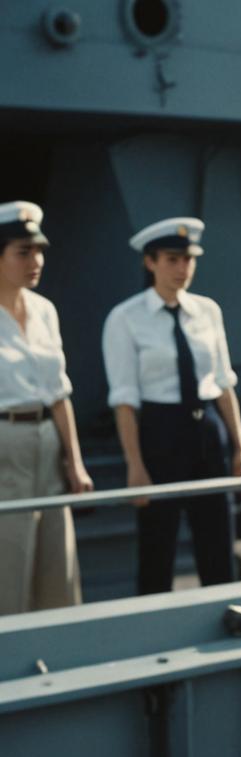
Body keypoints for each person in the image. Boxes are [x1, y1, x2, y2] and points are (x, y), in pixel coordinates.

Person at [102, 218, 241, 595]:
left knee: (217, 538)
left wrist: (240, 447)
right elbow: (124, 399)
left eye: (189, 259)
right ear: (150, 262)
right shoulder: (125, 319)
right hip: (159, 433)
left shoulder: (207, 311)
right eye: (172, 259)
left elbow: (222, 383)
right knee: (158, 543)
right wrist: (135, 466)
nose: (183, 269)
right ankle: (152, 631)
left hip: (207, 431)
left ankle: (227, 619)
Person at [0, 201, 92, 615]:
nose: (35, 261)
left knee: (59, 554)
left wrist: (75, 462)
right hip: (6, 442)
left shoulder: (44, 311)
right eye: (23, 252)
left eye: (39, 251)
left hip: (48, 440)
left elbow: (59, 393)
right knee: (9, 555)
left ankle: (58, 647)